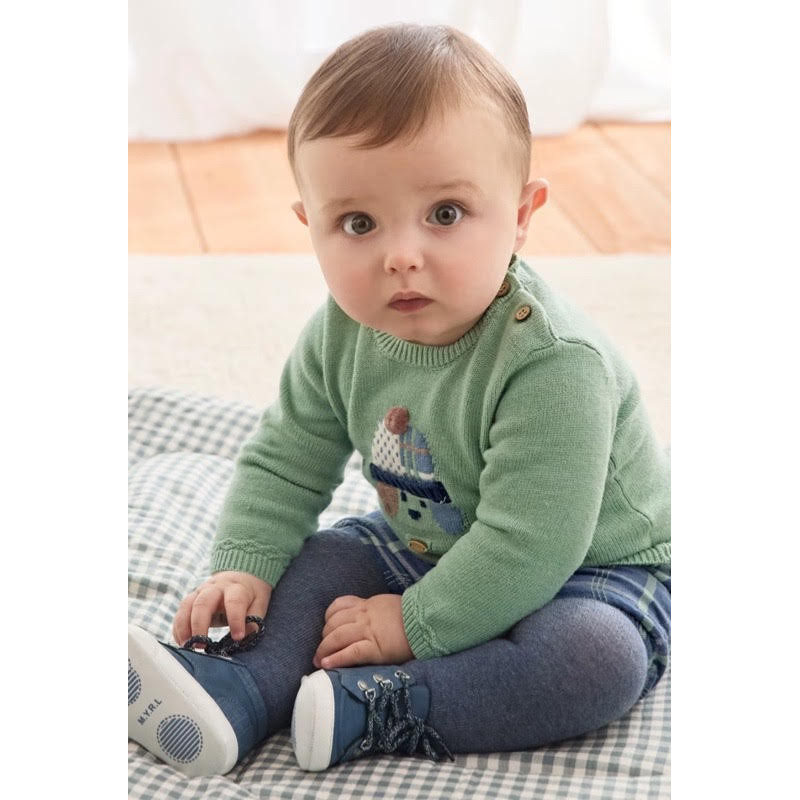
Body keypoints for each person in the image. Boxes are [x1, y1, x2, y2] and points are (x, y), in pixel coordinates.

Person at [128, 22, 670, 778]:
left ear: (521, 215)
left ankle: (389, 706)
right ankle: (242, 688)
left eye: (446, 214)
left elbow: (532, 546)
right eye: (358, 223)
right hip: (431, 540)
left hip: (588, 568)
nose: (401, 256)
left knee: (594, 660)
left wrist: (411, 625)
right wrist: (244, 567)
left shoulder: (554, 364)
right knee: (322, 562)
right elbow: (285, 462)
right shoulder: (341, 334)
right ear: (310, 227)